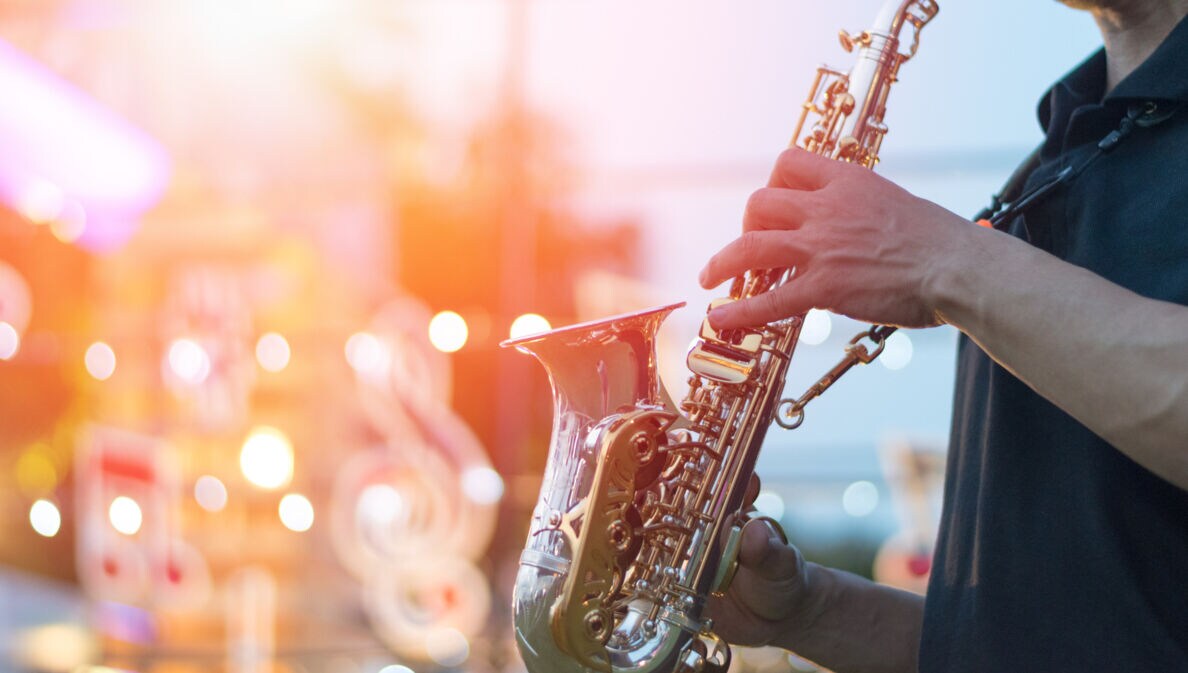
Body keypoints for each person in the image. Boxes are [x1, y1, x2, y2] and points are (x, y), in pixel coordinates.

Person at [699, 1, 1188, 671]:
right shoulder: (1042, 176)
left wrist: (942, 259)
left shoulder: (975, 252)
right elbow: (1038, 636)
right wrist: (808, 608)